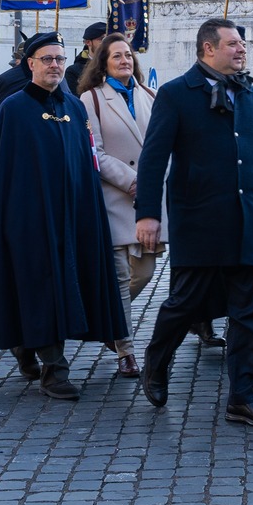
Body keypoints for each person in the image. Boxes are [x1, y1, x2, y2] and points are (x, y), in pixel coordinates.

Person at [134, 18, 253, 428]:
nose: (241, 49)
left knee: (248, 310)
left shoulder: (252, 95)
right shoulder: (176, 94)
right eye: (233, 44)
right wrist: (148, 214)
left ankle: (242, 395)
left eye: (242, 44)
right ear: (207, 49)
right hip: (199, 218)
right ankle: (156, 359)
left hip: (249, 219)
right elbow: (153, 158)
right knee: (184, 303)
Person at [0, 31, 130, 399]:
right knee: (39, 285)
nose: (55, 65)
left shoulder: (75, 107)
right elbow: (1, 174)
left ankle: (26, 345)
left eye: (60, 59)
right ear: (30, 64)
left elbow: (85, 161)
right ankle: (54, 370)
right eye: (47, 59)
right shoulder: (12, 110)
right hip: (29, 218)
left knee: (63, 285)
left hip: (73, 215)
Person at [79, 32, 156, 376]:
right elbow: (96, 152)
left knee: (145, 272)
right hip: (114, 196)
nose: (125, 60)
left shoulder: (149, 95)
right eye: (117, 56)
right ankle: (126, 351)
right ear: (103, 63)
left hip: (148, 201)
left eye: (128, 55)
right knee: (120, 275)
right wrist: (131, 180)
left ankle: (107, 321)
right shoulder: (91, 99)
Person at [64, 22, 107, 95]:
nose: (106, 43)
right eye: (102, 39)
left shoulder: (114, 67)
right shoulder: (73, 71)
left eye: (108, 39)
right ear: (88, 42)